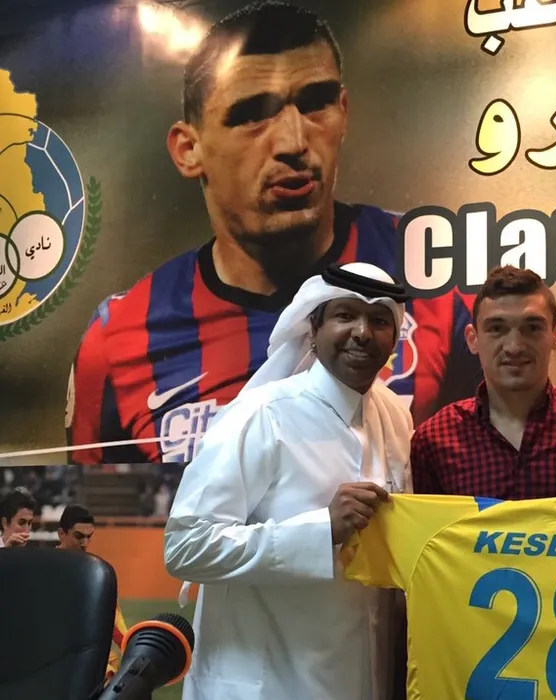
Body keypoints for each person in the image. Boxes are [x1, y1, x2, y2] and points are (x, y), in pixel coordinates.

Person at [66, 0, 480, 466]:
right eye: (252, 115)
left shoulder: (433, 269)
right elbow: (91, 508)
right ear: (188, 150)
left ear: (343, 112)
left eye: (316, 103)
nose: (293, 142)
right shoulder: (119, 338)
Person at [163, 261, 414, 700]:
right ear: (313, 328)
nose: (362, 332)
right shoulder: (261, 414)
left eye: (379, 320)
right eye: (345, 315)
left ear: (394, 339)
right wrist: (320, 531)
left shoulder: (396, 416)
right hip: (265, 685)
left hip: (362, 680)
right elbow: (186, 546)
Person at [410, 264, 556, 497]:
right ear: (472, 339)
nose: (514, 347)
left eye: (532, 328)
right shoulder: (433, 440)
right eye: (496, 328)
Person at [54, 504, 129, 682]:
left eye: (89, 537)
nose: (85, 544)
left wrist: (131, 646)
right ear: (61, 533)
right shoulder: (44, 570)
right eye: (79, 536)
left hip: (91, 662)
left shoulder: (96, 574)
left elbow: (113, 620)